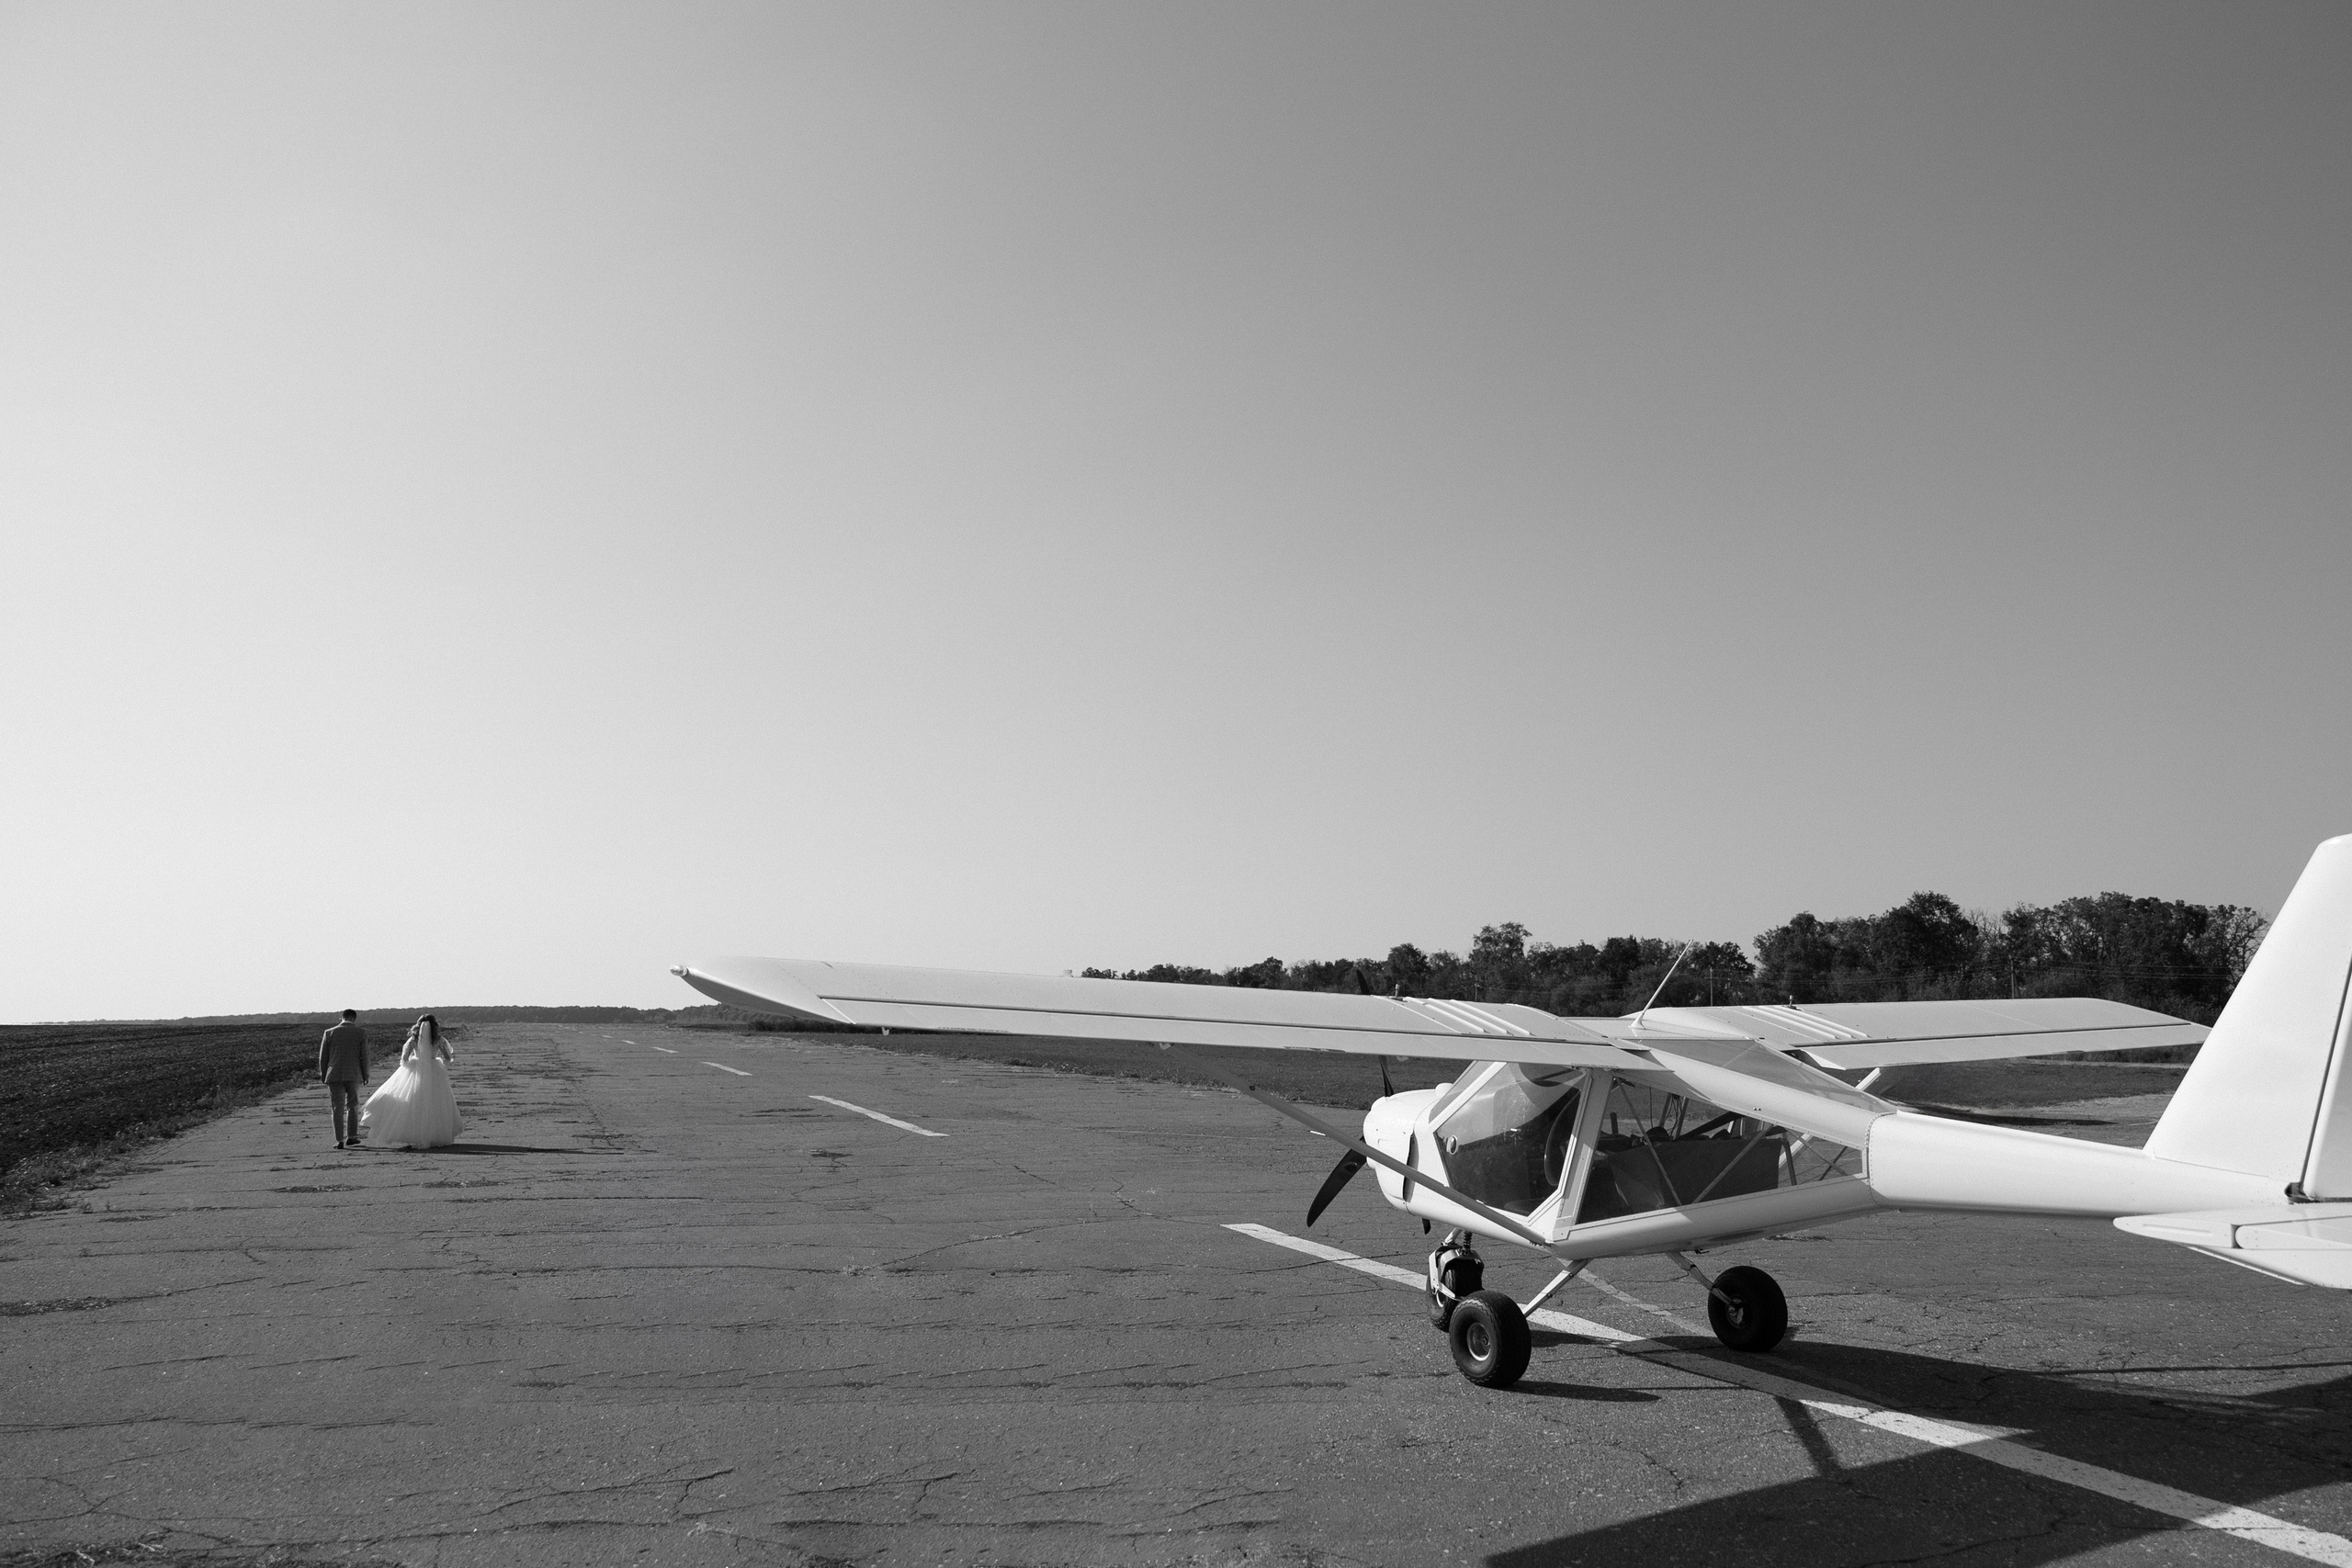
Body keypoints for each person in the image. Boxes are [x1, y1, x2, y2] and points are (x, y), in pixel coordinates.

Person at [359, 1013, 462, 1150]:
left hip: (416, 1072)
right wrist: (436, 1060)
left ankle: (414, 1133)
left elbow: (404, 1059)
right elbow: (448, 1057)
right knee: (437, 1102)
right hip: (435, 1072)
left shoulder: (413, 1040)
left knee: (413, 1101)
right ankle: (434, 1134)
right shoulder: (439, 1039)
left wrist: (415, 1063)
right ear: (434, 1026)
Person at [318, 1009, 370, 1150]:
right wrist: (366, 1074)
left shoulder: (329, 1032)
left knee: (337, 1108)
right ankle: (352, 1136)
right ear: (354, 1019)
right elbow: (364, 1056)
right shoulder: (361, 1032)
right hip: (354, 1074)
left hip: (334, 1074)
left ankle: (339, 1139)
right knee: (353, 1105)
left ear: (341, 1018)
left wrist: (324, 1075)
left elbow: (323, 1057)